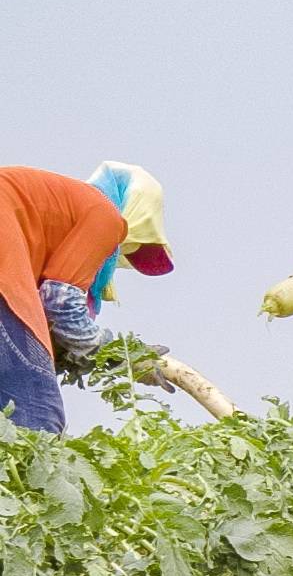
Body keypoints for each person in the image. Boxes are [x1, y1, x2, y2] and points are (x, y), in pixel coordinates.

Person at [0, 164, 173, 435]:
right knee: (36, 423)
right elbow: (60, 301)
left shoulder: (59, 204)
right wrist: (120, 354)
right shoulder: (105, 215)